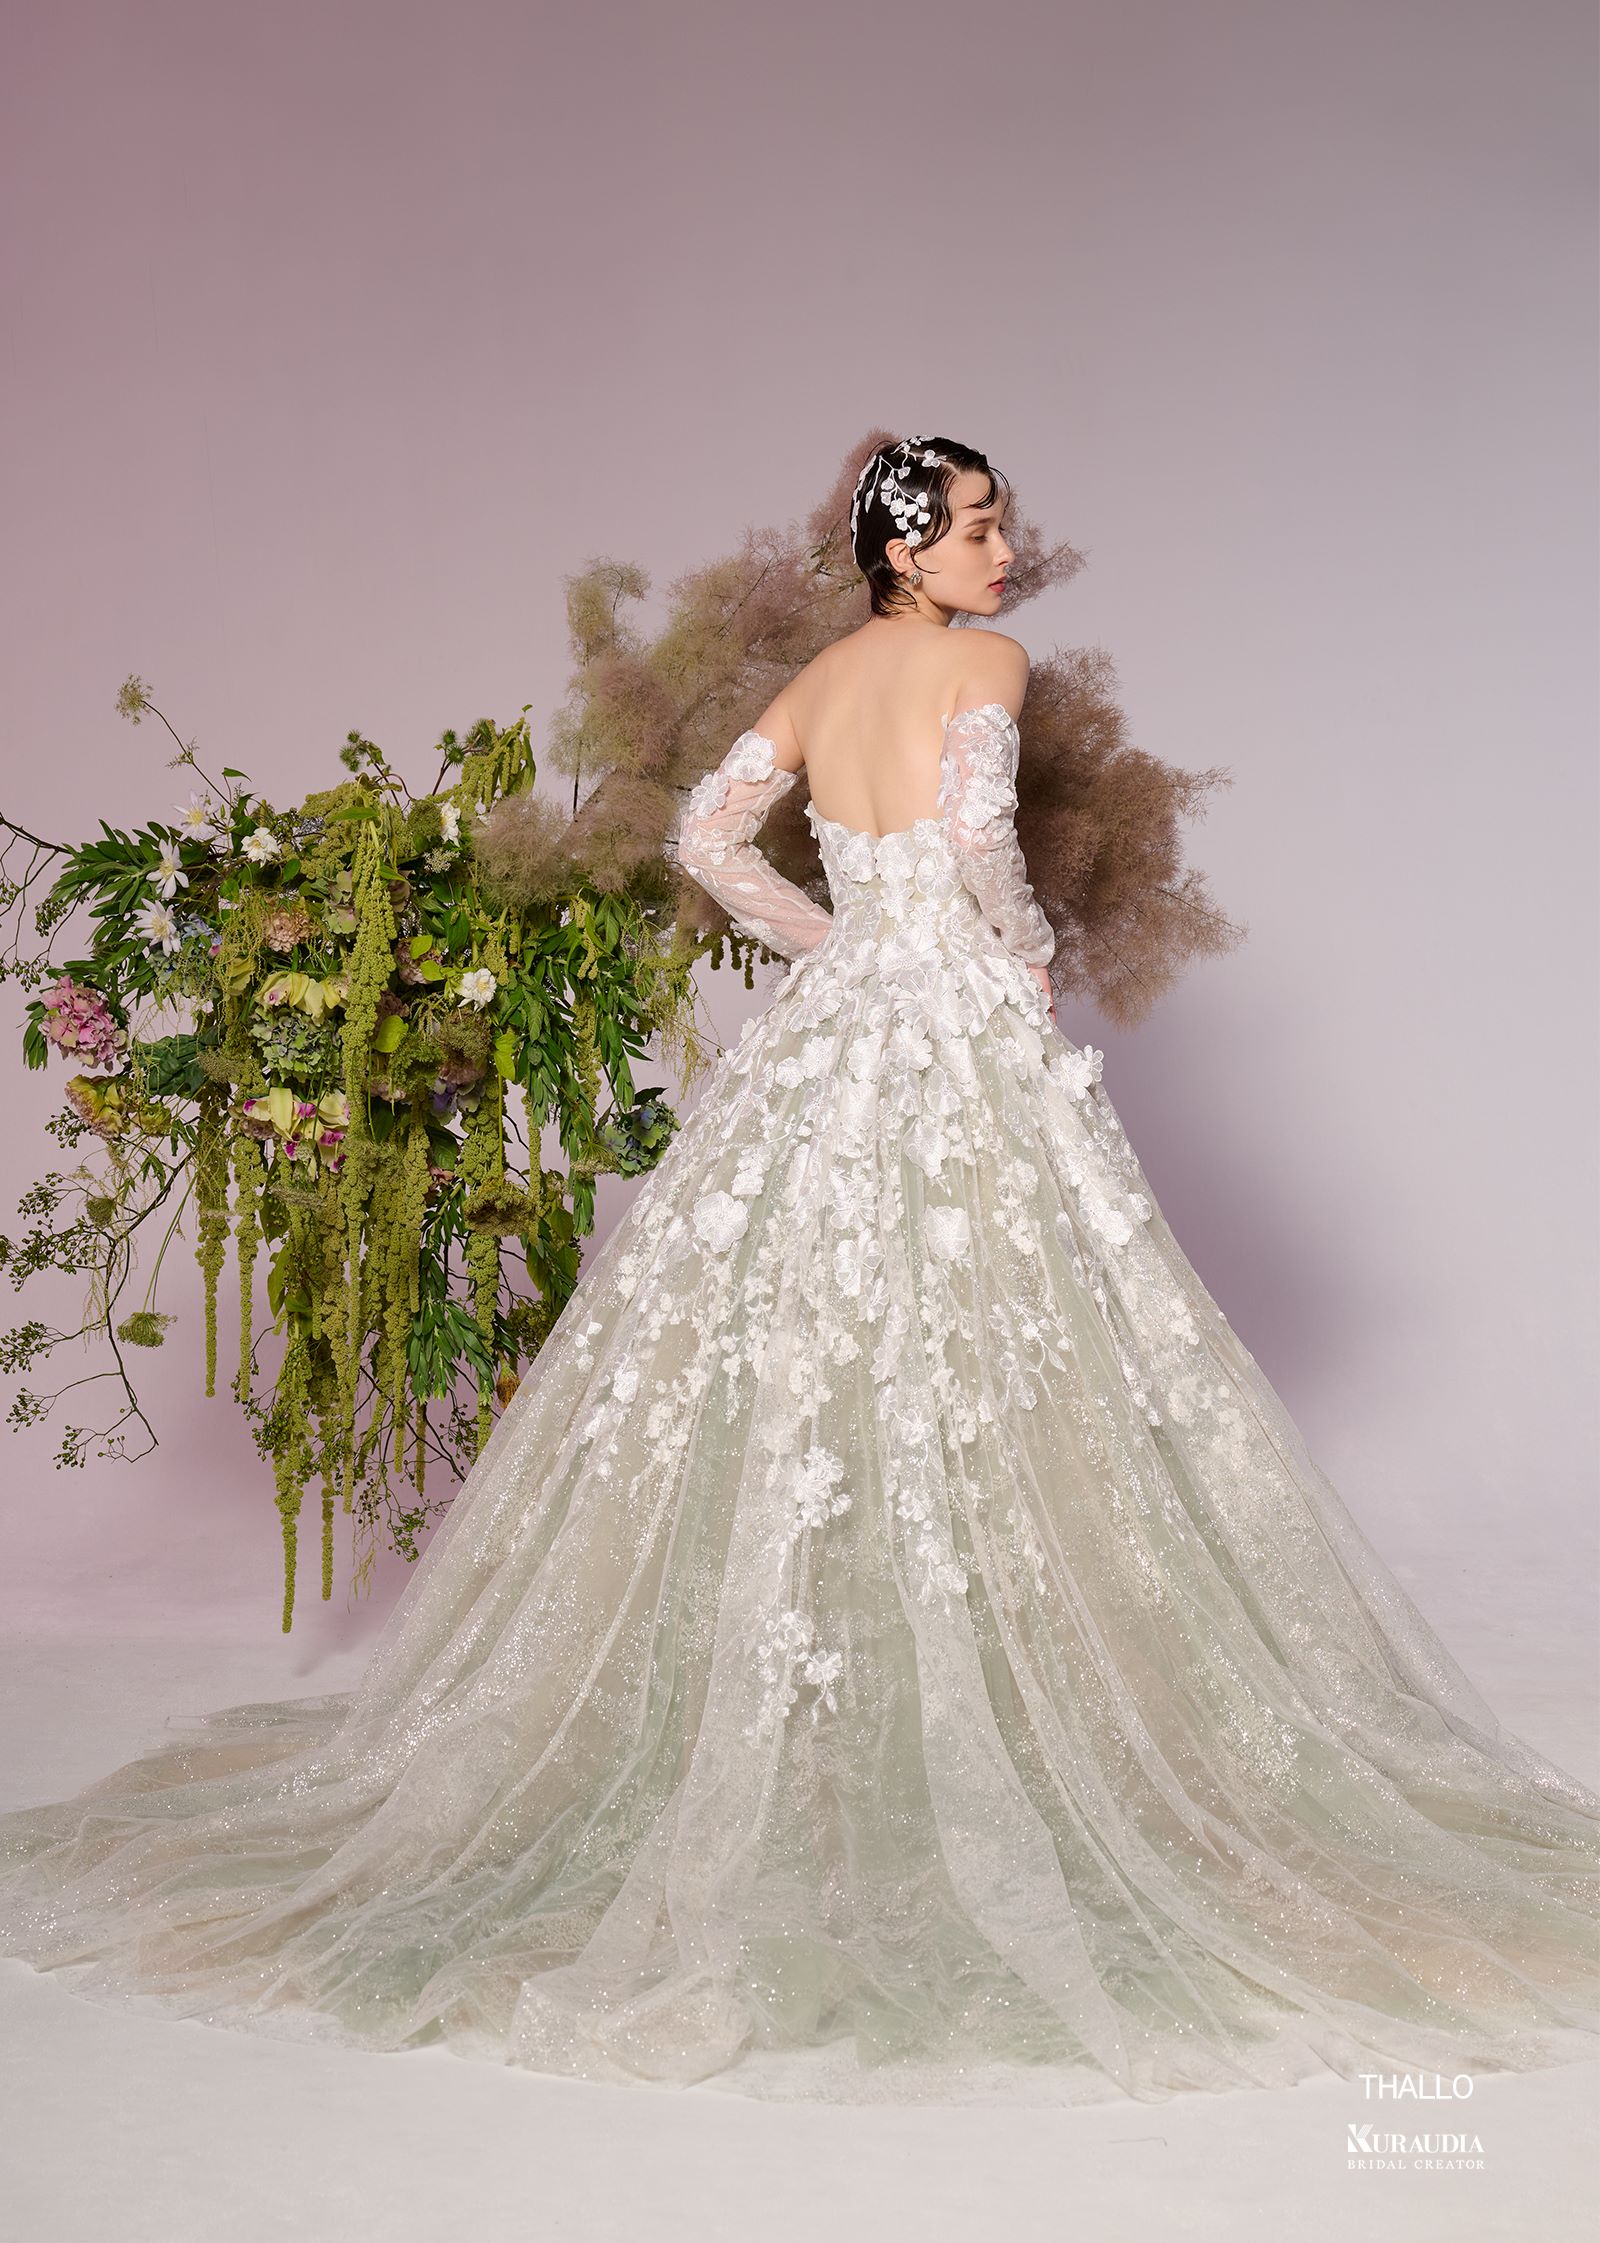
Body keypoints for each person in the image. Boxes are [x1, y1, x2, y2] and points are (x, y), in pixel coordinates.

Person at [0, 436, 1596, 2111]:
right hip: (951, 1013)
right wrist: (1021, 959)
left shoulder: (824, 680)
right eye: (977, 527)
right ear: (907, 551)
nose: (1002, 552)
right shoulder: (988, 664)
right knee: (1003, 1324)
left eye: (999, 528)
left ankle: (825, 1699)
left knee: (797, 1323)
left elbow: (707, 833)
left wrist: (832, 941)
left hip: (838, 1027)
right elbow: (979, 838)